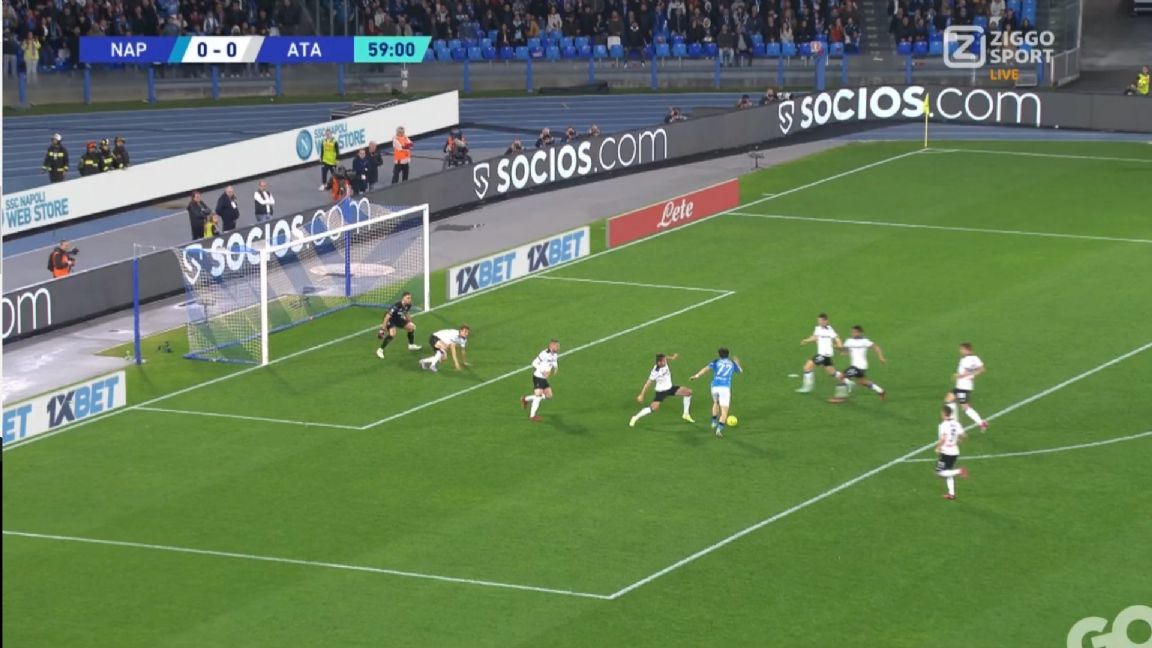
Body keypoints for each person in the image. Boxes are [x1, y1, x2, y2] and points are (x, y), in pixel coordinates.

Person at [629, 353, 694, 427]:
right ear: (659, 363)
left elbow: (666, 357)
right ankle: (635, 417)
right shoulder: (655, 371)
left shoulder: (664, 361)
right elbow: (648, 383)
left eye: (665, 360)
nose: (665, 362)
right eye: (664, 361)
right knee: (654, 408)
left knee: (688, 392)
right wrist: (642, 395)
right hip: (661, 392)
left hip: (670, 388)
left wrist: (672, 357)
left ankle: (685, 414)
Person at [690, 347, 743, 437]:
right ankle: (719, 429)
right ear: (728, 354)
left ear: (719, 354)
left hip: (715, 387)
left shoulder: (716, 362)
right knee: (724, 411)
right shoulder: (732, 363)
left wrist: (696, 376)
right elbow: (740, 371)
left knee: (716, 402)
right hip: (725, 388)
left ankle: (713, 422)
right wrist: (737, 363)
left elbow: (706, 369)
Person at [830, 326, 887, 401]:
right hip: (856, 366)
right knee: (862, 381)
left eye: (856, 332)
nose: (854, 334)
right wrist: (837, 347)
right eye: (852, 332)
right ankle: (880, 391)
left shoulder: (865, 341)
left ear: (860, 333)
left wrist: (881, 357)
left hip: (859, 366)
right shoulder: (849, 341)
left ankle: (841, 397)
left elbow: (876, 347)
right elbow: (845, 351)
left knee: (841, 376)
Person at [945, 342, 989, 430]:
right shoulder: (975, 358)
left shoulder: (966, 360)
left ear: (966, 350)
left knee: (965, 406)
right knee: (948, 400)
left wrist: (959, 375)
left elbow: (967, 371)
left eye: (961, 349)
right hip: (963, 386)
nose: (960, 351)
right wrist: (972, 374)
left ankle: (981, 422)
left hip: (963, 386)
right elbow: (982, 369)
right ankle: (953, 422)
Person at [797, 313, 844, 394]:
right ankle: (847, 381)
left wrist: (840, 347)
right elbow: (815, 337)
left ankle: (807, 387)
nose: (819, 322)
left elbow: (837, 339)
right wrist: (806, 340)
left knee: (807, 367)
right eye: (818, 321)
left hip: (823, 355)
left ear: (826, 321)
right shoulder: (818, 328)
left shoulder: (830, 330)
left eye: (821, 321)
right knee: (832, 372)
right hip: (825, 356)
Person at [935, 405, 970, 500]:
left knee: (940, 472)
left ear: (944, 413)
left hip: (946, 452)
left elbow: (943, 438)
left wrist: (938, 447)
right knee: (948, 471)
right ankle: (951, 494)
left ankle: (959, 471)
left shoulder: (943, 425)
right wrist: (958, 440)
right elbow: (964, 435)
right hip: (955, 451)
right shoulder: (956, 423)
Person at [521, 339, 560, 421]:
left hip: (544, 379)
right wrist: (543, 371)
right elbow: (534, 363)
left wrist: (556, 368)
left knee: (549, 396)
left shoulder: (555, 354)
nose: (558, 347)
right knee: (538, 396)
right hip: (538, 377)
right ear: (551, 346)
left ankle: (525, 399)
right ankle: (532, 416)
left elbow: (554, 361)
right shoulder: (544, 354)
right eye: (556, 346)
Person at [375, 291, 422, 358]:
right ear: (403, 298)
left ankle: (411, 345)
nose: (410, 299)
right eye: (408, 298)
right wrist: (382, 329)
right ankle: (380, 350)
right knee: (393, 334)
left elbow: (406, 313)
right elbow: (387, 317)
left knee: (412, 327)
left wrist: (410, 322)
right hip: (390, 319)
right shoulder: (396, 306)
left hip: (398, 319)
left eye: (410, 298)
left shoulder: (408, 305)